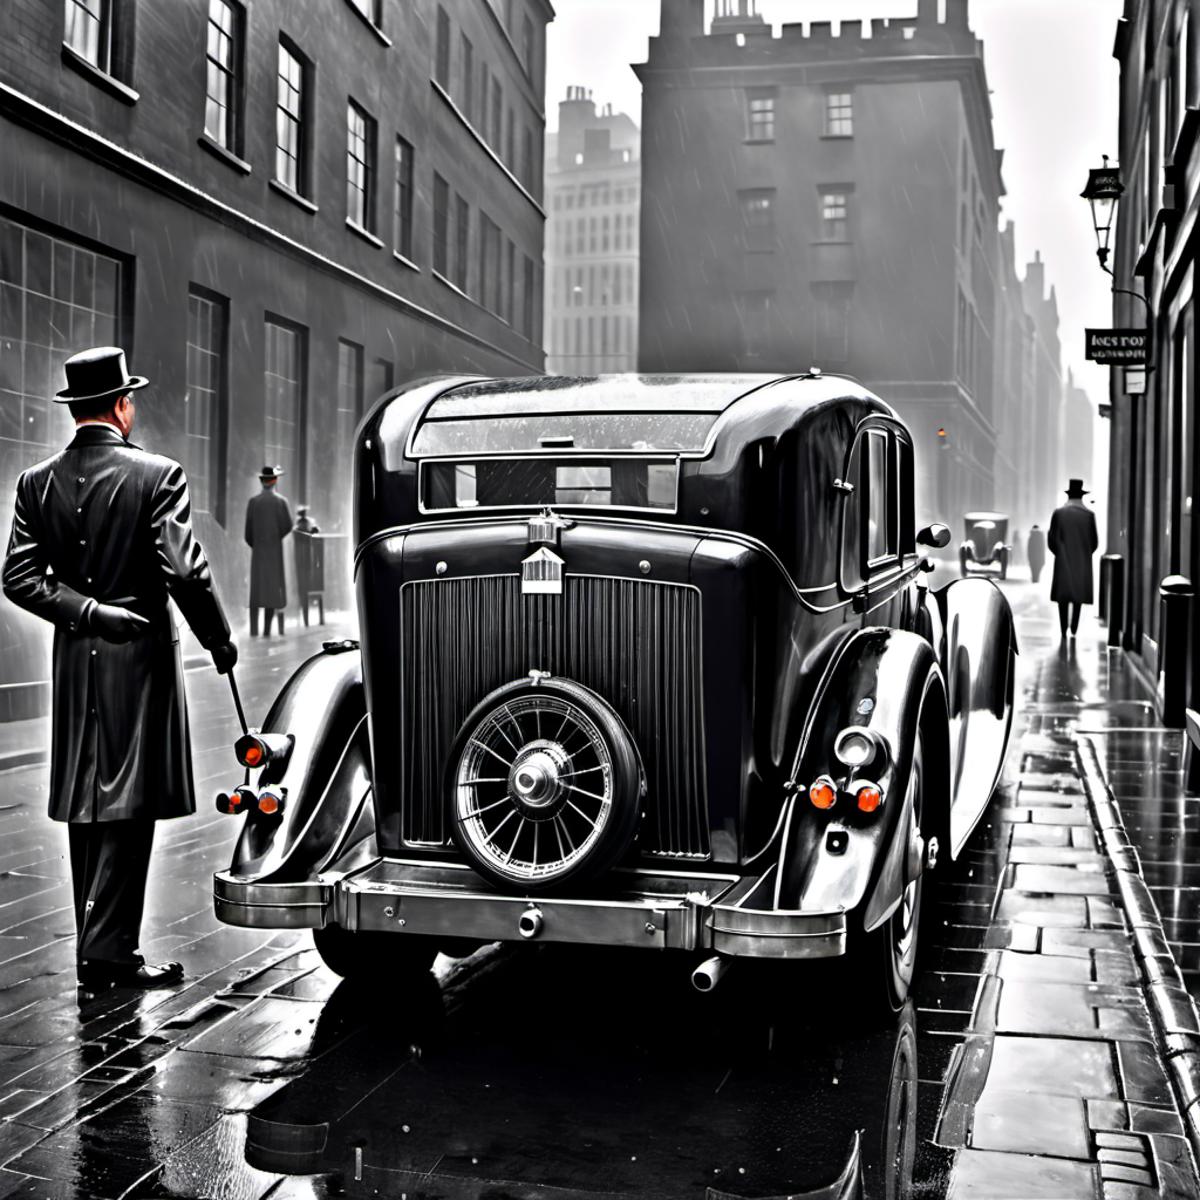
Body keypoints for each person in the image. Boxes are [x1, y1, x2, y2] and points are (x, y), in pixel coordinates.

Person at [1, 346, 237, 997]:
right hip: (138, 654)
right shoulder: (158, 475)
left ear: (76, 409)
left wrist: (86, 611)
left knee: (89, 803)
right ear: (120, 406)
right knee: (129, 808)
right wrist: (217, 639)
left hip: (79, 660)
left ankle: (98, 945)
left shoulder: (36, 482)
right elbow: (185, 571)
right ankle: (109, 955)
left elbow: (18, 576)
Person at [1048, 480, 1099, 639]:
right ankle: (1074, 629)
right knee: (1078, 596)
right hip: (1082, 563)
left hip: (1063, 562)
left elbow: (1051, 540)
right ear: (1082, 496)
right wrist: (1084, 554)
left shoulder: (1059, 513)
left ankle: (1063, 629)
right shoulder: (1089, 516)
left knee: (1063, 598)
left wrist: (1060, 553)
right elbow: (1094, 543)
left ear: (1068, 495)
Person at [245, 466, 293, 636]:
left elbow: (247, 534)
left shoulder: (253, 502)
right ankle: (266, 631)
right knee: (271, 592)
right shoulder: (281, 502)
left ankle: (253, 631)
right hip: (274, 553)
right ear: (274, 481)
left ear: (262, 481)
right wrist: (275, 538)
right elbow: (288, 526)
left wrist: (258, 545)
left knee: (256, 593)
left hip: (258, 554)